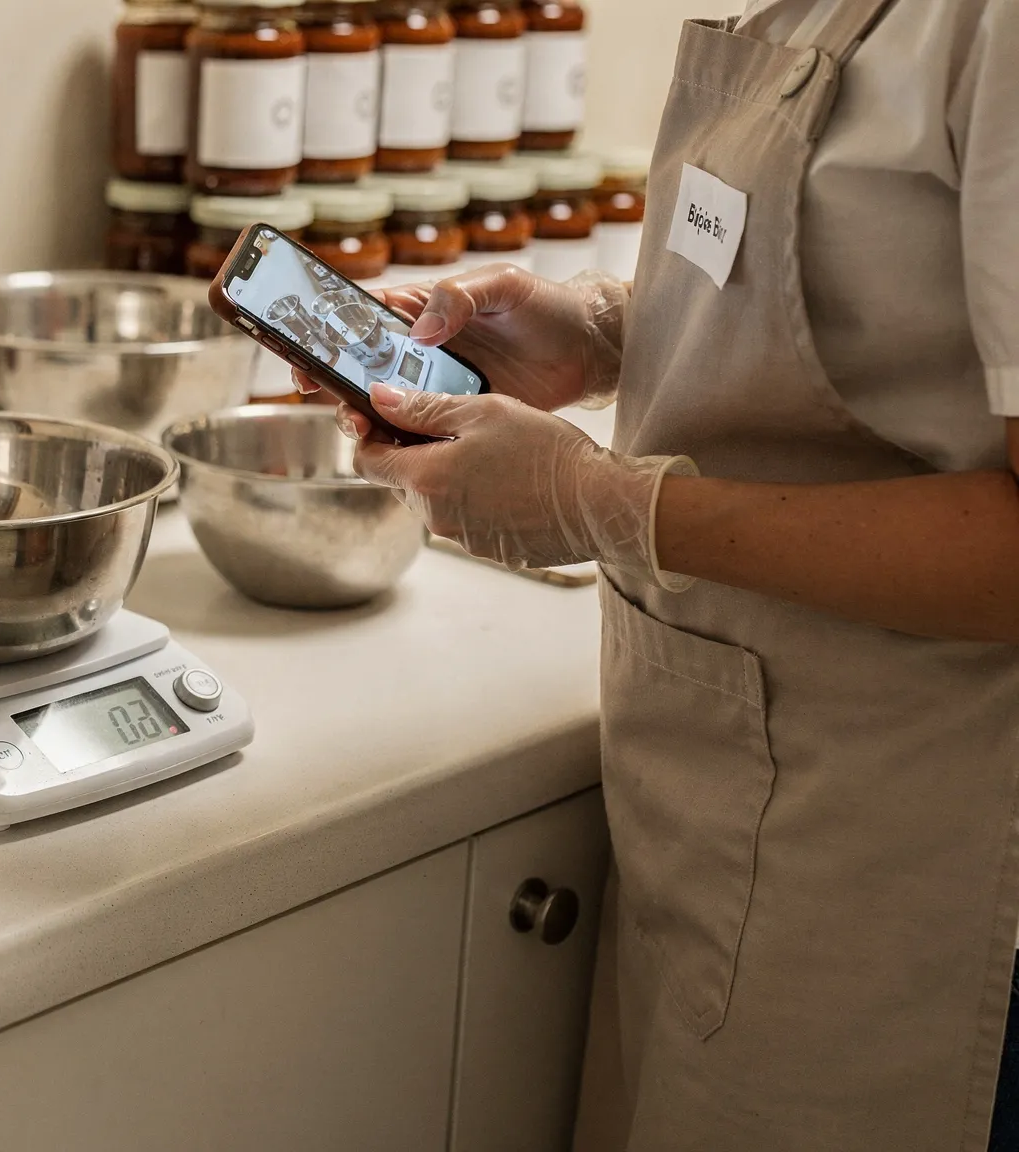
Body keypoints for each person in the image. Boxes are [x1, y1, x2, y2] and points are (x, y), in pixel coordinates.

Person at [300, 1, 1019, 1147]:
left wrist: (607, 503)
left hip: (906, 846)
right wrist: (602, 331)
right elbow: (886, 308)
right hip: (736, 806)